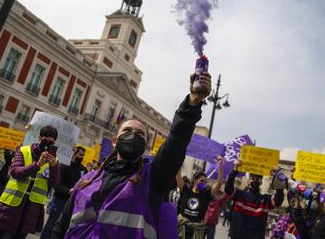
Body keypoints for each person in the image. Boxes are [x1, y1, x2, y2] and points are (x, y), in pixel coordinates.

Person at [52, 72, 212, 239]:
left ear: (145, 144)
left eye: (140, 134)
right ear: (114, 141)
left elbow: (177, 140)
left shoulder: (152, 178)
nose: (133, 135)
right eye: (127, 131)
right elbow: (61, 227)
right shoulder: (88, 180)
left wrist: (193, 103)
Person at [0, 125, 60, 239]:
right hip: (11, 204)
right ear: (39, 137)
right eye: (45, 140)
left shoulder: (54, 161)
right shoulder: (24, 150)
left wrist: (54, 167)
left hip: (31, 208)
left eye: (51, 143)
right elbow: (15, 172)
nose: (47, 144)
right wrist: (37, 165)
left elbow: (54, 184)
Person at [224, 160, 284, 239]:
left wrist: (278, 176)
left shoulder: (265, 200)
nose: (255, 181)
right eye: (253, 178)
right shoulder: (240, 195)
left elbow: (278, 200)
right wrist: (235, 169)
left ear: (261, 182)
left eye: (258, 179)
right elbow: (228, 188)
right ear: (248, 181)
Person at [40, 146, 87, 239]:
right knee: (51, 225)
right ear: (74, 154)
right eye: (80, 154)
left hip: (73, 203)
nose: (81, 157)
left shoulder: (83, 170)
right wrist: (68, 191)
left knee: (63, 228)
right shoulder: (64, 166)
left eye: (83, 155)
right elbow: (56, 185)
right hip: (60, 200)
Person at [176, 156, 224, 239]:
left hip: (196, 230)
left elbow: (219, 183)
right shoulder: (185, 190)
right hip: (181, 228)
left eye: (205, 182)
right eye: (202, 181)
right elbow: (177, 175)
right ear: (195, 180)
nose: (204, 183)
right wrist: (180, 157)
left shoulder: (206, 194)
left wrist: (220, 165)